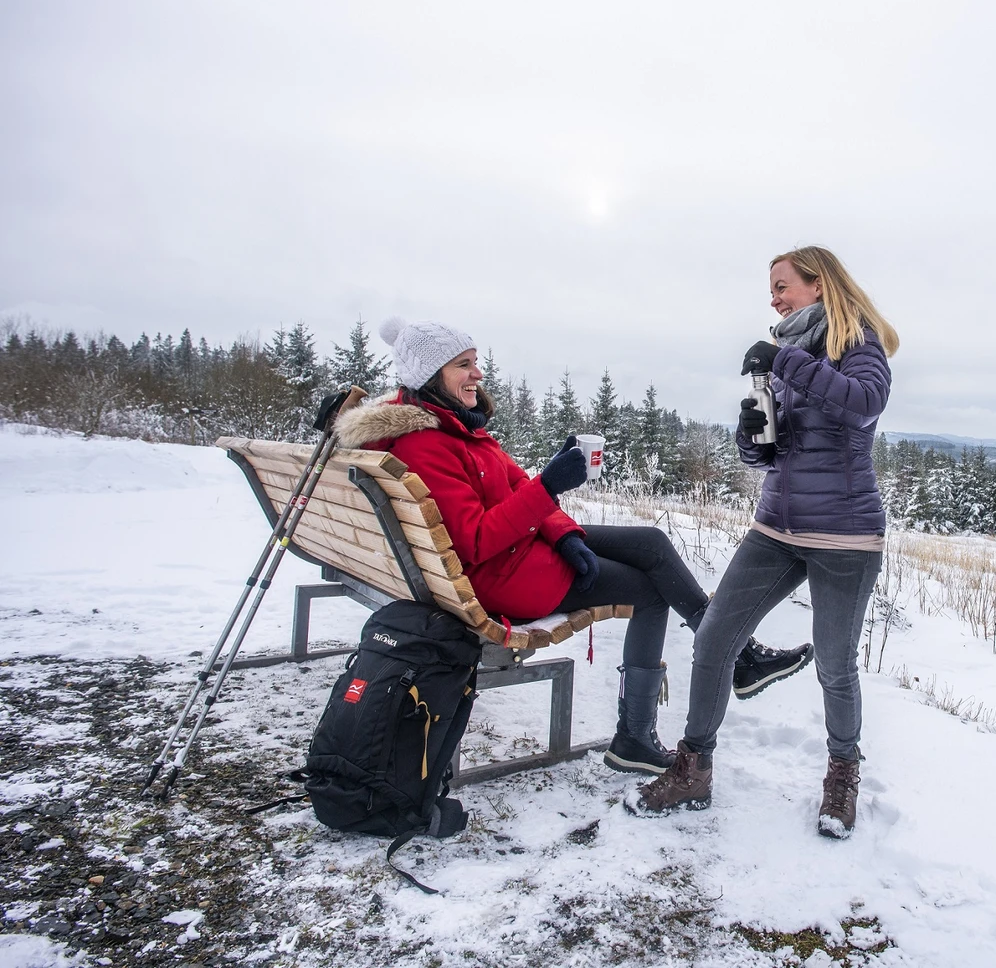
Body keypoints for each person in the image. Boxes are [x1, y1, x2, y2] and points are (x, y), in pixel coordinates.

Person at [333, 317, 811, 775]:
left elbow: (518, 488)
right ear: (429, 375)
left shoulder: (455, 427)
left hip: (513, 553)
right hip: (503, 579)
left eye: (475, 361)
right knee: (649, 591)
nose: (477, 373)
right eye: (463, 364)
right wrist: (549, 487)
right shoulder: (428, 444)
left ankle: (737, 655)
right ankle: (638, 736)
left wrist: (562, 532)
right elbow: (477, 541)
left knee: (650, 542)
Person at [628, 246, 899, 839]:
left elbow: (864, 404)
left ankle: (842, 774)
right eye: (771, 289)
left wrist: (783, 361)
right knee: (714, 636)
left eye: (782, 286)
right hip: (776, 526)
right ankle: (693, 768)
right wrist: (752, 437)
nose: (773, 299)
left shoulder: (858, 343)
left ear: (819, 284)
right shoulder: (787, 355)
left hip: (845, 534)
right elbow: (775, 451)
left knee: (834, 664)